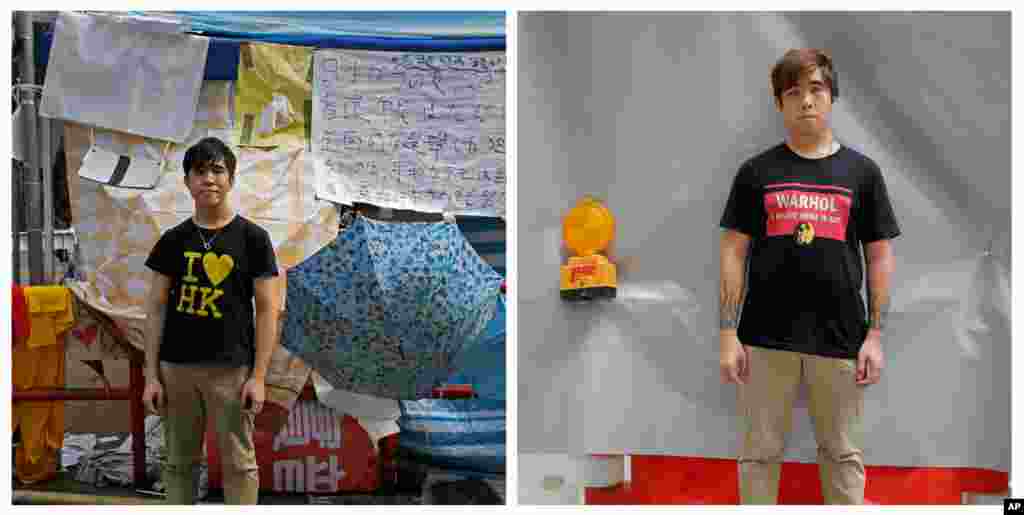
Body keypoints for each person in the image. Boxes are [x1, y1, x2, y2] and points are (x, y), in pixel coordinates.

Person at [718, 49, 900, 505]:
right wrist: (727, 332)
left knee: (842, 455)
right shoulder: (756, 172)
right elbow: (733, 251)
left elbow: (880, 256)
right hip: (764, 338)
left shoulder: (862, 172)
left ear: (832, 96)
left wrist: (875, 334)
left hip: (840, 338)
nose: (806, 101)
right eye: (793, 92)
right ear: (779, 103)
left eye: (816, 89)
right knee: (759, 456)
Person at [142, 137, 279, 504]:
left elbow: (268, 309)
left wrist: (259, 377)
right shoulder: (173, 241)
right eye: (199, 171)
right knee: (178, 463)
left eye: (218, 170)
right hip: (176, 370)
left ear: (231, 179)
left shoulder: (253, 239)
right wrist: (151, 375)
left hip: (232, 371)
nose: (209, 179)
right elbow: (155, 309)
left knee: (239, 464)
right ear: (187, 182)